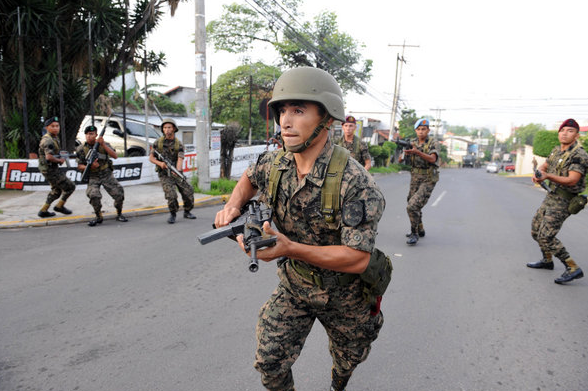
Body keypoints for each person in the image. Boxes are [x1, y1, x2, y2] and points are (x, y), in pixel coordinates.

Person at [214, 67, 385, 391]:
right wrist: (234, 205)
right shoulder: (274, 163)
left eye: (298, 110)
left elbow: (358, 258)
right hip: (296, 284)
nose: (285, 121)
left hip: (346, 293)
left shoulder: (356, 182)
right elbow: (250, 178)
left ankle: (338, 382)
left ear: (328, 118)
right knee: (270, 360)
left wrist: (289, 248)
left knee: (349, 358)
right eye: (282, 111)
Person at [528, 118, 587, 284]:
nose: (565, 133)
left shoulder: (579, 155)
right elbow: (544, 166)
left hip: (564, 200)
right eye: (562, 130)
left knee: (546, 236)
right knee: (535, 230)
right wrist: (538, 174)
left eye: (570, 131)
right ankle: (547, 261)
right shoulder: (556, 151)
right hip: (551, 196)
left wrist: (547, 176)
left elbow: (572, 180)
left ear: (576, 135)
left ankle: (573, 267)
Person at [76, 125, 128, 227]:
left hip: (106, 174)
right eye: (88, 134)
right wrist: (90, 166)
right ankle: (98, 216)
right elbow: (79, 166)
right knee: (93, 195)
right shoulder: (81, 149)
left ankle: (119, 213)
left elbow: (115, 156)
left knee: (119, 194)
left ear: (96, 135)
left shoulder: (104, 144)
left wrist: (103, 144)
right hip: (93, 176)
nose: (90, 136)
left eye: (92, 134)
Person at [149, 118, 196, 224]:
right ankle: (173, 213)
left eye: (169, 127)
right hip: (164, 174)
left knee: (188, 192)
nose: (167, 130)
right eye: (165, 128)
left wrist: (177, 171)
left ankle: (187, 211)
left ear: (174, 129)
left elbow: (180, 159)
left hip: (176, 171)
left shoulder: (178, 144)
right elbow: (151, 158)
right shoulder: (158, 143)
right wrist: (160, 163)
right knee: (171, 195)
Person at [400, 118, 439, 245]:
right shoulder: (413, 143)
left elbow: (433, 159)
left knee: (413, 206)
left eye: (424, 129)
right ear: (415, 131)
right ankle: (420, 228)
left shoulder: (432, 142)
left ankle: (414, 233)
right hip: (415, 177)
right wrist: (405, 154)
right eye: (419, 129)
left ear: (428, 130)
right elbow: (401, 161)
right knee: (411, 201)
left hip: (428, 178)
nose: (421, 132)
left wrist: (417, 152)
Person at [37, 116, 76, 218]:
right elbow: (49, 157)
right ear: (47, 128)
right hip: (50, 169)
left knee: (56, 191)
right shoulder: (48, 140)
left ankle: (43, 210)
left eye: (57, 126)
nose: (55, 128)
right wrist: (60, 160)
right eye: (52, 126)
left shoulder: (53, 138)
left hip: (48, 168)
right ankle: (59, 206)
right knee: (70, 187)